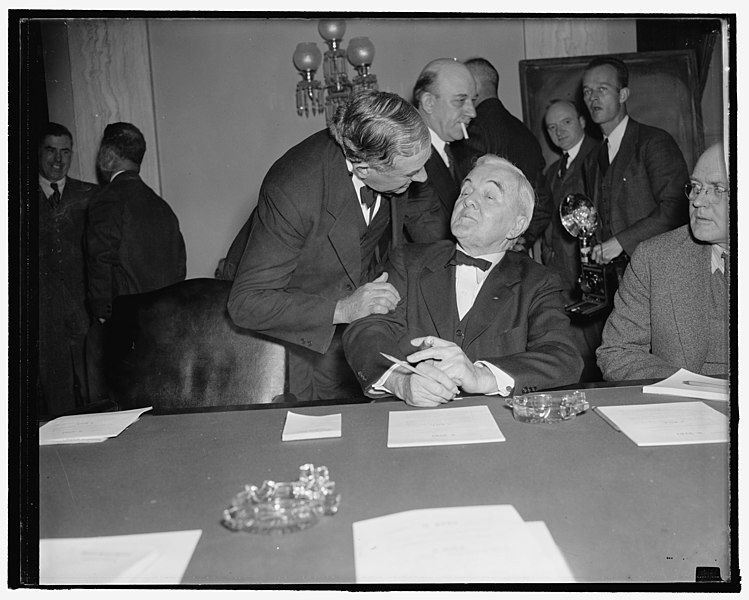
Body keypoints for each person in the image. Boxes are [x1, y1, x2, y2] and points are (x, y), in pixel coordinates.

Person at [227, 90, 448, 401]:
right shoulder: (294, 189)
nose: (423, 178)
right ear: (365, 169)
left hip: (343, 324)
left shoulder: (391, 157)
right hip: (283, 330)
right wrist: (344, 308)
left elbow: (426, 226)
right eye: (411, 172)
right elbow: (247, 304)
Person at [343, 154, 583, 407]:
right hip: (411, 419)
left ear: (516, 226)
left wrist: (482, 375)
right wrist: (400, 380)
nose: (469, 201)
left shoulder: (538, 282)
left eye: (489, 196)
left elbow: (562, 357)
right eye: (465, 191)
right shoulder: (409, 260)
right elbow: (365, 330)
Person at [596, 142, 729, 381]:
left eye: (718, 189)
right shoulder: (655, 258)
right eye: (696, 187)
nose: (698, 201)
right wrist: (691, 386)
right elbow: (617, 352)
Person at [581, 56, 689, 267]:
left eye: (602, 89)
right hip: (615, 276)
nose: (593, 98)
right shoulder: (592, 158)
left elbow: (677, 207)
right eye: (587, 91)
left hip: (659, 270)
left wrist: (622, 242)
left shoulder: (654, 141)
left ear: (623, 94)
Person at [87, 122, 186, 321]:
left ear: (108, 155)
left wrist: (102, 313)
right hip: (163, 321)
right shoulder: (163, 207)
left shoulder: (108, 198)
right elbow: (179, 267)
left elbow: (100, 259)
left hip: (125, 321)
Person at [36, 122, 99, 417]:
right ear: (37, 152)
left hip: (84, 316)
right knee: (54, 402)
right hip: (42, 322)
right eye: (50, 150)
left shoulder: (90, 196)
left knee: (94, 393)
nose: (58, 160)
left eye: (65, 152)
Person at [521, 99, 597, 297]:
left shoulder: (598, 157)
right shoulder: (553, 170)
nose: (559, 131)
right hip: (559, 271)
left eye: (566, 122)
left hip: (590, 269)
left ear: (582, 121)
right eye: (552, 127)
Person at [450, 57, 545, 189]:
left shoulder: (470, 129)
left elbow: (467, 189)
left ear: (474, 85)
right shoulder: (527, 134)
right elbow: (543, 198)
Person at [412, 58, 478, 219]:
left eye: (473, 101)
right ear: (429, 103)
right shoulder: (408, 158)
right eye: (460, 101)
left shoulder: (463, 153)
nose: (472, 112)